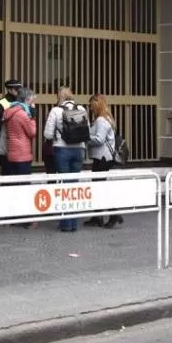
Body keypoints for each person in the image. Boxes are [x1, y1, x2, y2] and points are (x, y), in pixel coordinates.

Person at [43, 86, 90, 233]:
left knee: (64, 186)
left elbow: (48, 135)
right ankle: (74, 223)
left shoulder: (56, 111)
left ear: (59, 96)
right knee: (74, 186)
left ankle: (65, 224)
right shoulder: (81, 108)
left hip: (62, 150)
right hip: (79, 150)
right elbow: (86, 129)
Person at [85, 94, 123, 229]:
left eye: (91, 105)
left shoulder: (101, 120)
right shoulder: (106, 119)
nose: (90, 108)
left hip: (102, 158)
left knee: (100, 188)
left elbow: (99, 139)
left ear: (96, 105)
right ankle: (98, 216)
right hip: (103, 158)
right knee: (99, 187)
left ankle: (114, 214)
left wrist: (86, 138)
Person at [3, 87, 39, 230]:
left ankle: (11, 217)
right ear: (26, 99)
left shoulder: (9, 111)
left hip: (12, 153)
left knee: (14, 187)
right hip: (23, 154)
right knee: (24, 188)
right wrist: (33, 117)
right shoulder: (23, 114)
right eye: (31, 100)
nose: (32, 103)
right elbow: (32, 132)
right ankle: (27, 219)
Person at [0, 79, 22, 175]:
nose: (19, 91)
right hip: (6, 142)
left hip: (19, 144)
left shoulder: (22, 102)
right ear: (9, 90)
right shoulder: (0, 103)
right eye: (16, 89)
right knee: (7, 172)